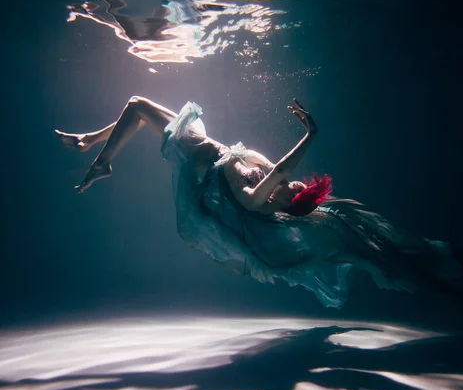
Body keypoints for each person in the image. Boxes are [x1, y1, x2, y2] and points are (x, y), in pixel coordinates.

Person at [56, 97, 463, 308]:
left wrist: (309, 136)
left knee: (137, 106)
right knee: (141, 111)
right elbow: (282, 171)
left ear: (292, 196)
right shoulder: (271, 181)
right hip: (201, 143)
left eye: (298, 186)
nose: (298, 181)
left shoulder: (264, 202)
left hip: (194, 149)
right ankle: (94, 145)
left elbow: (280, 171)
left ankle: (101, 160)